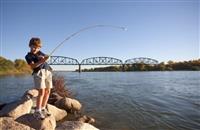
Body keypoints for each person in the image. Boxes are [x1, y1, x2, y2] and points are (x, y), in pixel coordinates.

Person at [25, 37, 52, 120]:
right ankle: (37, 111)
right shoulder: (28, 56)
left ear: (40, 47)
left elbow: (47, 58)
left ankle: (43, 108)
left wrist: (47, 57)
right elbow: (33, 66)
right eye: (33, 47)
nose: (35, 49)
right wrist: (42, 60)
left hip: (48, 71)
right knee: (41, 91)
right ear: (30, 46)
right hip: (39, 73)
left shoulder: (40, 52)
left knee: (48, 91)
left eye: (37, 47)